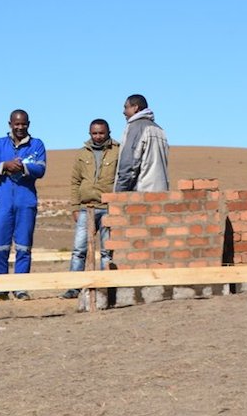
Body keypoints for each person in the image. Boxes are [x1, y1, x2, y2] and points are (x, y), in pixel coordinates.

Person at [0, 110, 46, 300]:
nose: (20, 127)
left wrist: (23, 167)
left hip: (26, 203)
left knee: (24, 248)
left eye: (23, 124)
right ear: (10, 124)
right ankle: (0, 288)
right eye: (16, 124)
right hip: (3, 203)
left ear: (28, 124)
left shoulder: (37, 145)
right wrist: (5, 165)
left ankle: (20, 288)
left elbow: (41, 169)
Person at [61, 119, 120, 299]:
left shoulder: (118, 151)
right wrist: (74, 207)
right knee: (79, 249)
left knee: (107, 251)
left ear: (108, 132)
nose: (98, 136)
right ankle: (74, 287)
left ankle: (105, 287)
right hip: (86, 208)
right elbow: (75, 182)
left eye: (101, 133)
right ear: (90, 134)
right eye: (94, 133)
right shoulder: (82, 153)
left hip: (108, 207)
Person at [114, 94, 169, 192]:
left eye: (126, 107)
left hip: (141, 194)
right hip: (161, 193)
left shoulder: (135, 127)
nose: (124, 112)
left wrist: (119, 192)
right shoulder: (159, 129)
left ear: (135, 108)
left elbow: (129, 164)